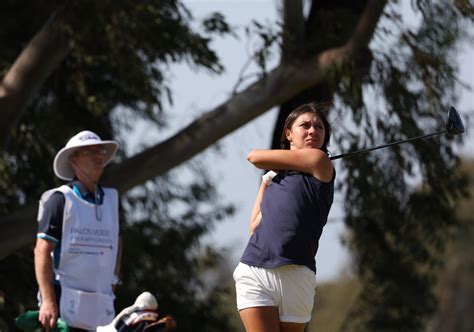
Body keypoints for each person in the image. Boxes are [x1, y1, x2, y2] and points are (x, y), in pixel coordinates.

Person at [233, 102, 335, 332]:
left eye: (319, 127)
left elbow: (254, 156)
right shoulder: (276, 178)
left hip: (297, 274)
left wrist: (274, 168)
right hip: (255, 269)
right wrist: (267, 181)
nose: (313, 131)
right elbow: (254, 226)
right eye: (305, 125)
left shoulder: (320, 163)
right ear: (288, 132)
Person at [34, 130, 123, 331]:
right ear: (73, 161)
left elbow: (118, 240)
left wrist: (114, 280)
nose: (97, 157)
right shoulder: (59, 199)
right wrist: (47, 301)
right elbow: (41, 250)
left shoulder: (111, 200)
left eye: (99, 151)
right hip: (64, 308)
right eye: (89, 152)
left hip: (101, 308)